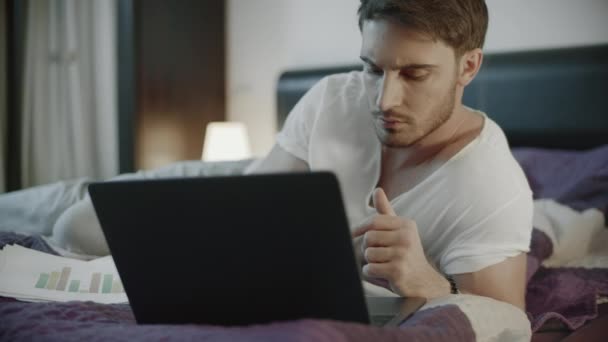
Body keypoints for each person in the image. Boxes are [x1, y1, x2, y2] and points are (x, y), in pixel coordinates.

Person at [245, 0, 532, 311]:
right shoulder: (330, 101)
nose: (384, 101)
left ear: (468, 67)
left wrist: (427, 283)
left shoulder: (492, 187)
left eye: (414, 74)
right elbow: (246, 213)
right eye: (373, 69)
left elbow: (506, 322)